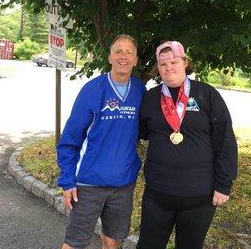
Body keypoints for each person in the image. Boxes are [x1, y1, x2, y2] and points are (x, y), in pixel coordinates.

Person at [137, 41, 238, 249]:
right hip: (158, 193)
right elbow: (142, 132)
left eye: (174, 61)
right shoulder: (150, 98)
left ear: (185, 63)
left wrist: (223, 185)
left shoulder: (207, 94)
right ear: (158, 68)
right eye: (163, 64)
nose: (168, 67)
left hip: (200, 196)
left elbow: (225, 140)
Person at [57, 34, 146, 249]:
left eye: (129, 52)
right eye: (118, 51)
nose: (123, 56)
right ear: (109, 57)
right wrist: (67, 181)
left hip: (123, 183)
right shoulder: (92, 90)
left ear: (135, 60)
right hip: (89, 183)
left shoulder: (140, 91)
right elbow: (70, 139)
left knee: (113, 240)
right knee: (74, 243)